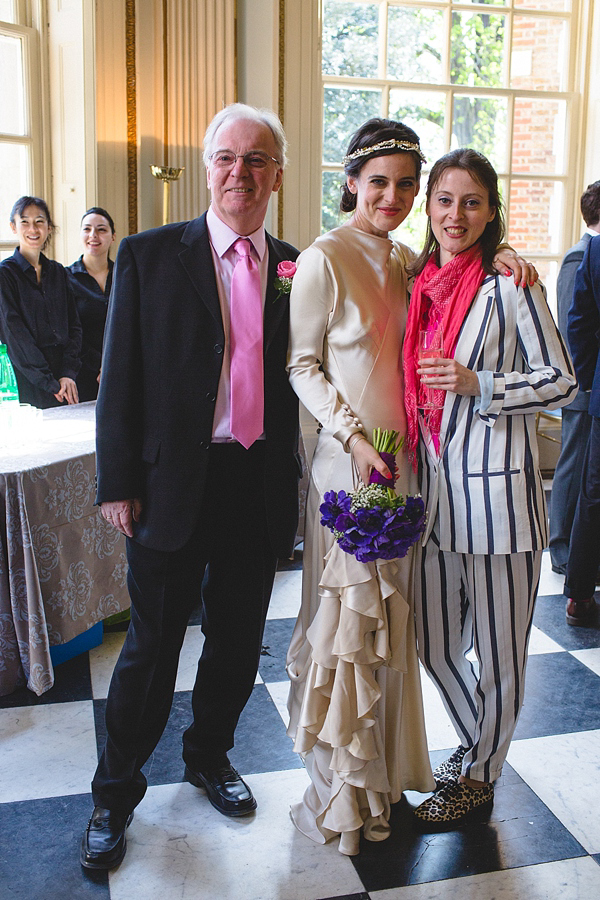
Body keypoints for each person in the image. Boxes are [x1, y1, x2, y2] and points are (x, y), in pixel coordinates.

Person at [285, 120, 534, 856]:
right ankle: (342, 795)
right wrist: (356, 441)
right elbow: (303, 366)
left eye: (404, 185)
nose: (391, 196)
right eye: (378, 182)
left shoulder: (404, 262)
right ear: (352, 182)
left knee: (396, 630)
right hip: (353, 466)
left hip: (410, 471)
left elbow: (455, 290)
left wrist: (504, 253)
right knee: (349, 634)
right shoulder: (326, 257)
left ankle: (385, 780)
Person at [80, 103, 300, 871]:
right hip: (170, 484)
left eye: (257, 159)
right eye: (227, 158)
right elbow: (120, 384)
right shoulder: (148, 255)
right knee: (151, 646)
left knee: (239, 643)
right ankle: (114, 792)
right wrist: (117, 482)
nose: (240, 172)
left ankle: (209, 754)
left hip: (256, 482)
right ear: (210, 167)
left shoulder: (296, 266)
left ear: (278, 173)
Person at [403, 148, 577, 829]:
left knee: (502, 655)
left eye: (471, 202)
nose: (456, 215)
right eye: (445, 200)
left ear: (491, 210)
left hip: (501, 506)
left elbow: (560, 380)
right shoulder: (418, 284)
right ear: (430, 207)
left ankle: (478, 775)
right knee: (434, 642)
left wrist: (482, 386)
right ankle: (482, 747)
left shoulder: (512, 286)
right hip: (435, 503)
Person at [549, 182, 600, 576]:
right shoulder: (579, 256)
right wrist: (579, 382)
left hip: (589, 380)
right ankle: (561, 545)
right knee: (572, 463)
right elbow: (572, 325)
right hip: (581, 381)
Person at [0, 196, 81, 408]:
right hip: (26, 378)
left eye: (39, 221)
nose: (33, 229)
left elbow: (74, 326)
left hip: (65, 379)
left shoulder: (58, 272)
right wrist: (49, 382)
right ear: (13, 227)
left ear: (49, 227)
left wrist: (67, 374)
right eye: (24, 221)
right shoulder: (5, 275)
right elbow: (14, 334)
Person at [563, 233, 600, 625]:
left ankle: (579, 596)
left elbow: (579, 323)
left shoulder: (597, 249)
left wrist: (590, 380)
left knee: (594, 496)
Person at [67, 207, 116, 401]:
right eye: (87, 229)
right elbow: (68, 331)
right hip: (83, 373)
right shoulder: (65, 278)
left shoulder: (126, 275)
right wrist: (99, 364)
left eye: (101, 230)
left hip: (121, 369)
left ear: (112, 237)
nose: (93, 235)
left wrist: (113, 364)